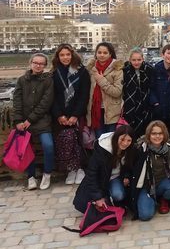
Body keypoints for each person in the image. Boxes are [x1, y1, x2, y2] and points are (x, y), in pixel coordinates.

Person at [13, 53, 55, 190]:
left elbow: (46, 103)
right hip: (24, 121)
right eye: (35, 62)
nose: (38, 65)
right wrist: (18, 120)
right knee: (26, 149)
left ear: (45, 66)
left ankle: (47, 174)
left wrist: (30, 119)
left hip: (42, 121)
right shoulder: (21, 80)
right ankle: (31, 176)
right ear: (31, 63)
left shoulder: (48, 80)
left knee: (48, 146)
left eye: (41, 63)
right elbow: (17, 102)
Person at [51, 44, 90, 185]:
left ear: (72, 55)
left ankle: (80, 169)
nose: (65, 57)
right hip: (61, 116)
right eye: (62, 55)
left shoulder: (82, 72)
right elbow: (52, 97)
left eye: (68, 54)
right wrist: (59, 115)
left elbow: (84, 95)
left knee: (78, 142)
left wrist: (75, 115)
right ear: (58, 57)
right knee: (64, 142)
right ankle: (71, 170)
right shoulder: (54, 73)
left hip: (77, 114)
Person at [73, 125, 135, 213]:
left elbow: (130, 167)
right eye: (122, 139)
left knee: (118, 195)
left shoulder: (131, 150)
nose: (125, 143)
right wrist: (98, 197)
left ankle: (114, 201)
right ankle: (106, 198)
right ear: (116, 137)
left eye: (129, 140)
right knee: (85, 205)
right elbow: (92, 173)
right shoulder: (103, 149)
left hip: (115, 177)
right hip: (100, 178)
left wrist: (127, 176)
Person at [128, 120, 170, 221]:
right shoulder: (141, 149)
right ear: (149, 134)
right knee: (145, 215)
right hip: (146, 186)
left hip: (162, 183)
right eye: (154, 133)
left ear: (164, 134)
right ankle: (151, 200)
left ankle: (163, 200)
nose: (157, 136)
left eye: (160, 133)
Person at [86, 42, 123, 138]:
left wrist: (101, 80)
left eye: (105, 53)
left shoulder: (117, 69)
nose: (102, 55)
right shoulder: (91, 69)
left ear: (110, 54)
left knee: (111, 141)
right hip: (95, 111)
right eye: (99, 52)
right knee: (100, 141)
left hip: (111, 113)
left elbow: (117, 92)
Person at [122, 48, 154, 139]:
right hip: (130, 105)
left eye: (139, 60)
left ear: (143, 59)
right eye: (134, 60)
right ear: (130, 60)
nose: (136, 62)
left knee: (146, 133)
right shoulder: (125, 71)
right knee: (131, 134)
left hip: (146, 105)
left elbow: (152, 87)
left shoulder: (149, 69)